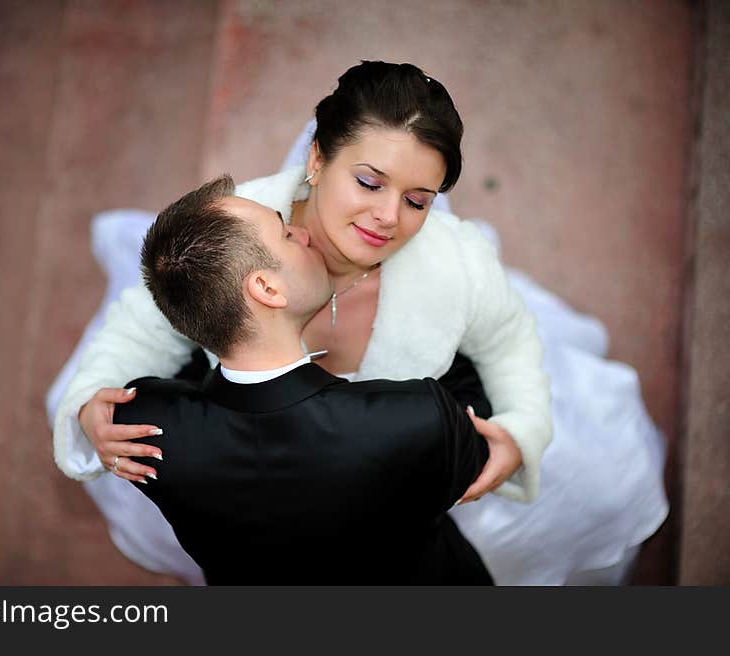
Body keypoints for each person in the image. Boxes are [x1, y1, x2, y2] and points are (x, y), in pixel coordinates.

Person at [47, 61, 668, 585]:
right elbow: (138, 329)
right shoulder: (239, 238)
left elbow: (507, 343)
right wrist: (88, 408)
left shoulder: (455, 263)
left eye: (417, 200)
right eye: (369, 181)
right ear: (317, 158)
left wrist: (524, 430)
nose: (387, 218)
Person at [113, 174, 497, 584]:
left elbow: (164, 388)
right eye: (285, 233)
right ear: (266, 287)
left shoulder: (144, 423)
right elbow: (480, 447)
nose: (304, 232)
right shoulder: (420, 417)